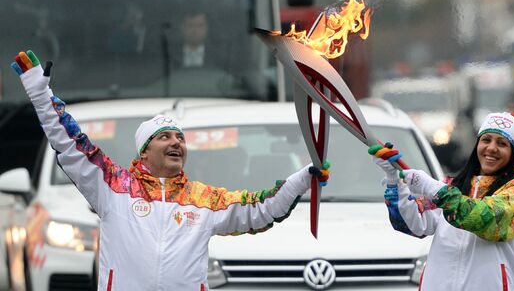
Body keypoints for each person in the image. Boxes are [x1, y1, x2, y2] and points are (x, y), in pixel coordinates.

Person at [11, 50, 328, 291]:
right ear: (145, 151)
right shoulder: (113, 186)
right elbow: (71, 142)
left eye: (180, 138)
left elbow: (261, 208)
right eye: (165, 137)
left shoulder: (203, 200)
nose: (176, 142)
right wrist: (39, 93)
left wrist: (303, 178)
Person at [370, 111, 514, 291]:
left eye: (502, 143)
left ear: (513, 153)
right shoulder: (452, 186)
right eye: (486, 140)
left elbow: (485, 220)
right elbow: (411, 225)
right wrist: (394, 181)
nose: (492, 148)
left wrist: (434, 189)